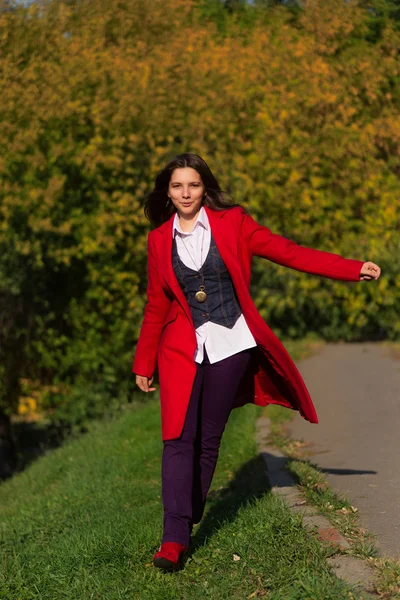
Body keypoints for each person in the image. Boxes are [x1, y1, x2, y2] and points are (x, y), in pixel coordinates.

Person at [132, 152, 381, 571]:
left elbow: (289, 252)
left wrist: (351, 269)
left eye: (193, 185)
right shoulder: (159, 239)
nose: (186, 193)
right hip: (180, 350)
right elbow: (156, 304)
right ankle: (172, 539)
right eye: (177, 186)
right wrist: (144, 362)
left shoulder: (234, 223)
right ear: (168, 192)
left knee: (208, 438)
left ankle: (186, 511)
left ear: (204, 187)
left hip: (231, 343)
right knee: (177, 438)